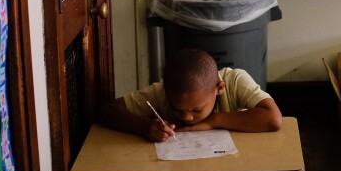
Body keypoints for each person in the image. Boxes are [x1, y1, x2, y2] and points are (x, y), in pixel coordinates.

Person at [98, 48, 282, 142]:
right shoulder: (162, 91)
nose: (187, 117)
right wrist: (144, 126)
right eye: (176, 109)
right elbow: (108, 110)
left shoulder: (235, 81)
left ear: (219, 88)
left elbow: (273, 118)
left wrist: (212, 122)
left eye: (197, 109)